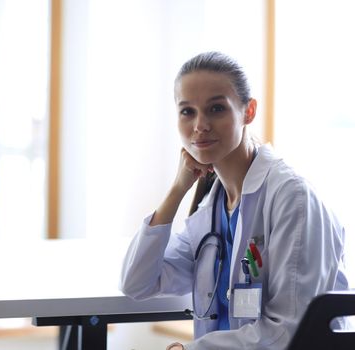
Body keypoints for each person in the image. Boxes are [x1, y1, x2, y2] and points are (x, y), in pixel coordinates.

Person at [119, 51, 349, 349]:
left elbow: (290, 333)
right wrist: (177, 191)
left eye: (216, 108)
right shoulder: (211, 210)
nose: (200, 125)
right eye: (187, 111)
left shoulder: (292, 199)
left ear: (249, 111)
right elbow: (137, 283)